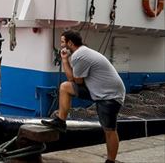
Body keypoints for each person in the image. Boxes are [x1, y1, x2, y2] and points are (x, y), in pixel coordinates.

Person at [42, 30, 125, 163]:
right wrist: (64, 59)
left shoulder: (79, 55)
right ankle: (60, 121)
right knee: (65, 87)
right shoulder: (79, 53)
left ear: (70, 43)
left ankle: (111, 161)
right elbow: (72, 80)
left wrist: (65, 60)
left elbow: (77, 81)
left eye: (63, 42)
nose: (61, 45)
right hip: (97, 91)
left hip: (110, 95)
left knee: (109, 130)